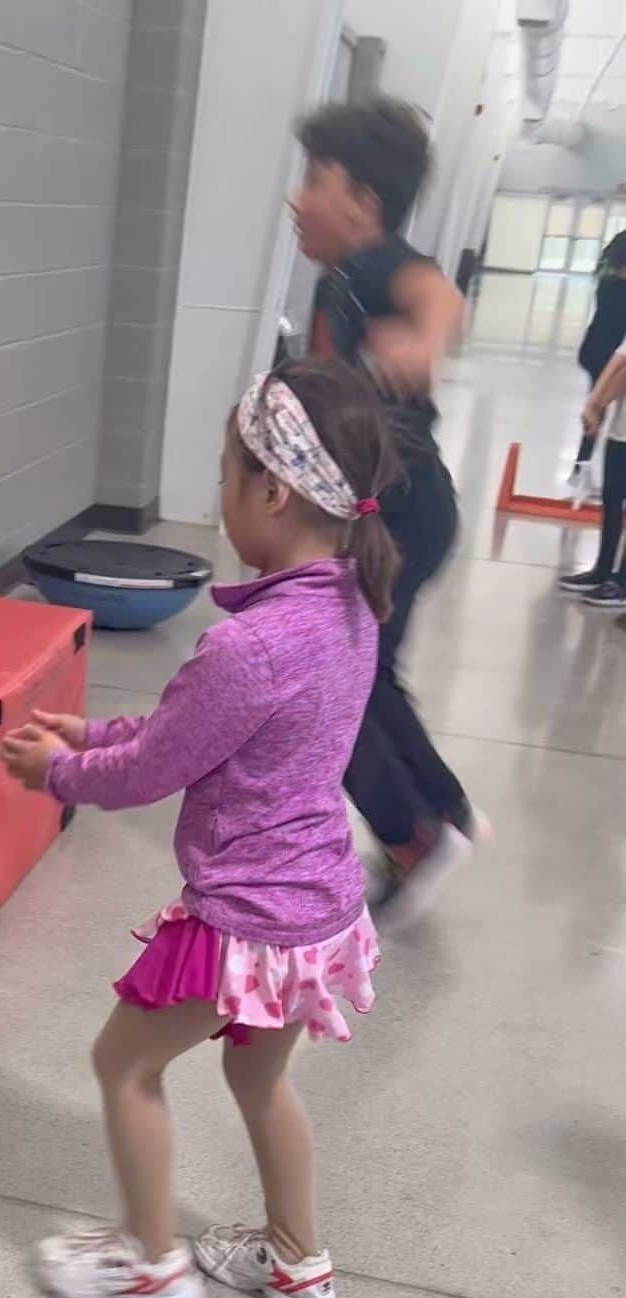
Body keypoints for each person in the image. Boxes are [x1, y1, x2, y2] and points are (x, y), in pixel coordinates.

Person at [0, 360, 398, 1298]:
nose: (219, 498)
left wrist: (53, 771)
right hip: (317, 908)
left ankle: (149, 1265)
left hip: (243, 922)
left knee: (124, 1067)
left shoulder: (249, 645)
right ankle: (301, 1267)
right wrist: (88, 733)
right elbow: (197, 737)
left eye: (226, 475)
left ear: (273, 488)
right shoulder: (351, 606)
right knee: (260, 1077)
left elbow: (154, 772)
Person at [292, 97, 486, 926]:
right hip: (399, 510)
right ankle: (444, 811)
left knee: (324, 685)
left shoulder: (376, 265)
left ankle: (410, 834)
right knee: (367, 676)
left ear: (364, 205)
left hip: (401, 513)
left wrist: (427, 339)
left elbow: (437, 293)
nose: (297, 198)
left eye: (314, 180)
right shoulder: (337, 281)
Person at [560, 333, 626, 608]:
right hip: (621, 429)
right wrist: (593, 403)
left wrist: (597, 403)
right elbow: (618, 360)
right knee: (612, 498)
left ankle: (621, 583)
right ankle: (602, 569)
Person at [571, 231, 626, 479]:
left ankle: (582, 467)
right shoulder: (620, 289)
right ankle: (581, 468)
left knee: (598, 408)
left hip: (594, 349)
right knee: (598, 410)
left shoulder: (607, 281)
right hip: (609, 356)